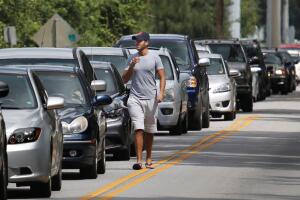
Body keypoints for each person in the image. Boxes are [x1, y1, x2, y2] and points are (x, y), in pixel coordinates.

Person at [122, 32, 166, 170]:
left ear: (147, 42)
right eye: (136, 41)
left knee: (149, 130)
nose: (137, 43)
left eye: (139, 41)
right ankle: (139, 161)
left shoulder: (155, 58)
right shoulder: (132, 58)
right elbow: (124, 79)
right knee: (138, 128)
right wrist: (131, 66)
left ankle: (149, 158)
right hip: (135, 98)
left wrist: (161, 93)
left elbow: (162, 77)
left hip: (151, 99)